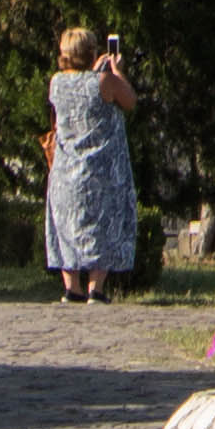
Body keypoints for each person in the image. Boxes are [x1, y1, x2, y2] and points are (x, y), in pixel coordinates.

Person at [42, 24, 138, 302]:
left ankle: (71, 287)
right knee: (103, 224)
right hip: (101, 171)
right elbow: (129, 101)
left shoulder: (56, 82)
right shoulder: (104, 81)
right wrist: (116, 70)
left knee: (67, 226)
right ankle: (96, 287)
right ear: (90, 52)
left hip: (65, 170)